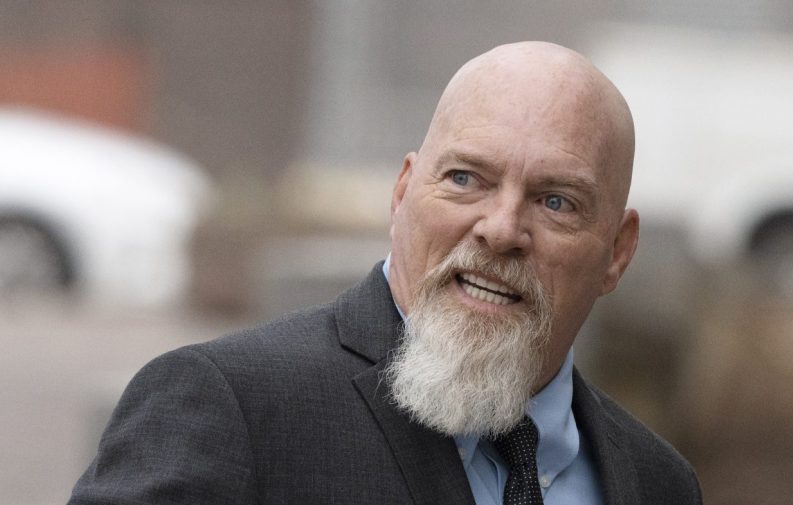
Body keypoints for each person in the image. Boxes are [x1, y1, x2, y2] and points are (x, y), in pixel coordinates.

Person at [69, 41, 702, 505]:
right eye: (465, 179)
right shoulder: (230, 409)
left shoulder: (658, 484)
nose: (501, 229)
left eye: (555, 201)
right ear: (402, 193)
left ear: (617, 251)